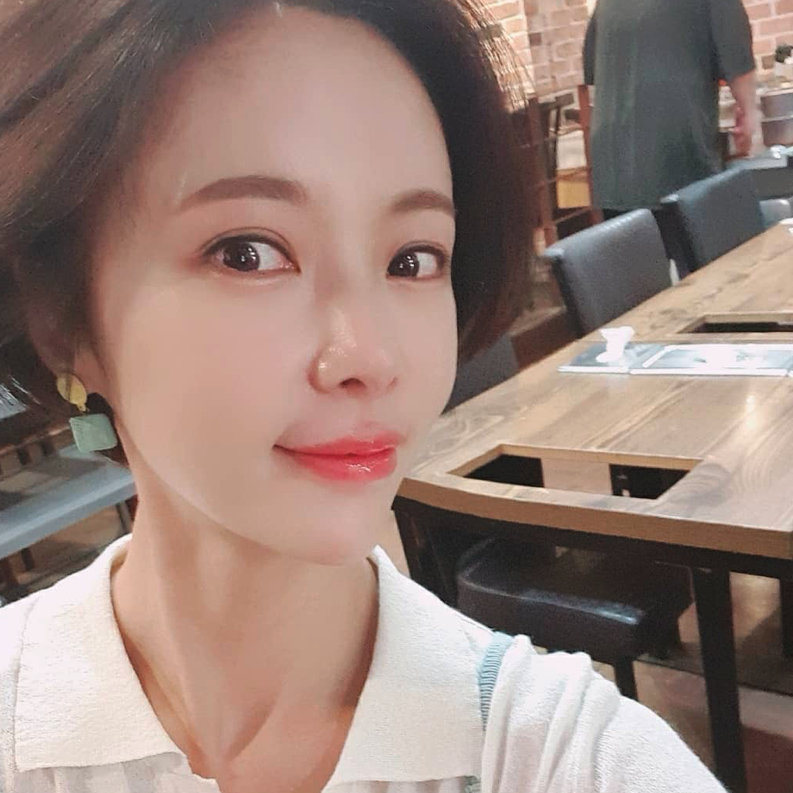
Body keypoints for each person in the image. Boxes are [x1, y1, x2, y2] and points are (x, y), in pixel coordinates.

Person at [0, 1, 726, 791]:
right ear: (63, 320)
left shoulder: (559, 754)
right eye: (248, 252)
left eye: (412, 259)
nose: (371, 358)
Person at [584, 0, 758, 216]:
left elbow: (593, 69)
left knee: (629, 236)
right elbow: (738, 59)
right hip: (674, 157)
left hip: (613, 165)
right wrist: (749, 111)